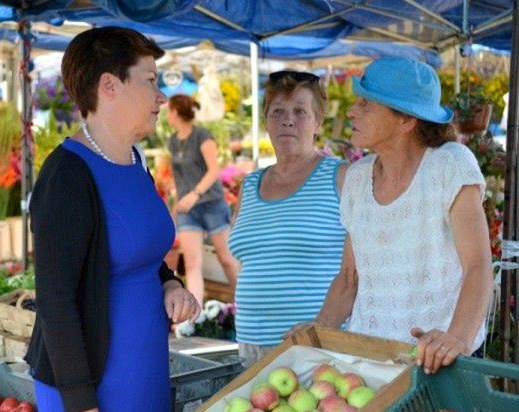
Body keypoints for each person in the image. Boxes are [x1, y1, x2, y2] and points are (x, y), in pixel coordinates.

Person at [25, 27, 200, 412]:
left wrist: (170, 284)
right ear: (110, 86)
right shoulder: (66, 176)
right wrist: (82, 409)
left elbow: (137, 252)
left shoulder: (134, 162)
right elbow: (55, 301)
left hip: (144, 370)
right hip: (91, 388)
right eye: (151, 81)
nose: (161, 97)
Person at [288, 57, 493, 374]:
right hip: (370, 361)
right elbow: (348, 279)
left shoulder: (450, 165)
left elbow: (478, 265)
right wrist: (317, 330)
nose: (351, 111)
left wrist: (457, 340)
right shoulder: (357, 178)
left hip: (439, 360)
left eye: (365, 104)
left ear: (406, 121)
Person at [228, 71, 348, 366]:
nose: (288, 120)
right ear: (266, 121)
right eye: (277, 111)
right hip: (250, 343)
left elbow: (358, 267)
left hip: (316, 343)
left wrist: (323, 325)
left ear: (318, 122)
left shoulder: (341, 176)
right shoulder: (250, 184)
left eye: (300, 112)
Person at [166, 94, 239, 306]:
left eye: (169, 110)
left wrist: (194, 194)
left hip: (211, 203)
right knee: (192, 264)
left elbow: (214, 170)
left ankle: (245, 305)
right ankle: (195, 316)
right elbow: (178, 177)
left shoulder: (202, 135)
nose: (167, 115)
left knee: (226, 258)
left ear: (177, 112)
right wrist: (176, 204)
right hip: (187, 209)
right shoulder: (172, 141)